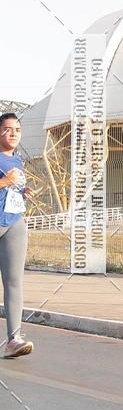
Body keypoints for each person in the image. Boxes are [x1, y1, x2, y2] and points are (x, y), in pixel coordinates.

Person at [0, 113, 35, 357]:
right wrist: (4, 181)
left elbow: (11, 188)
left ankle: (14, 339)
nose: (14, 133)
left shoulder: (18, 161)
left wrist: (22, 191)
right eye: (8, 129)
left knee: (14, 282)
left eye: (18, 130)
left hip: (14, 221)